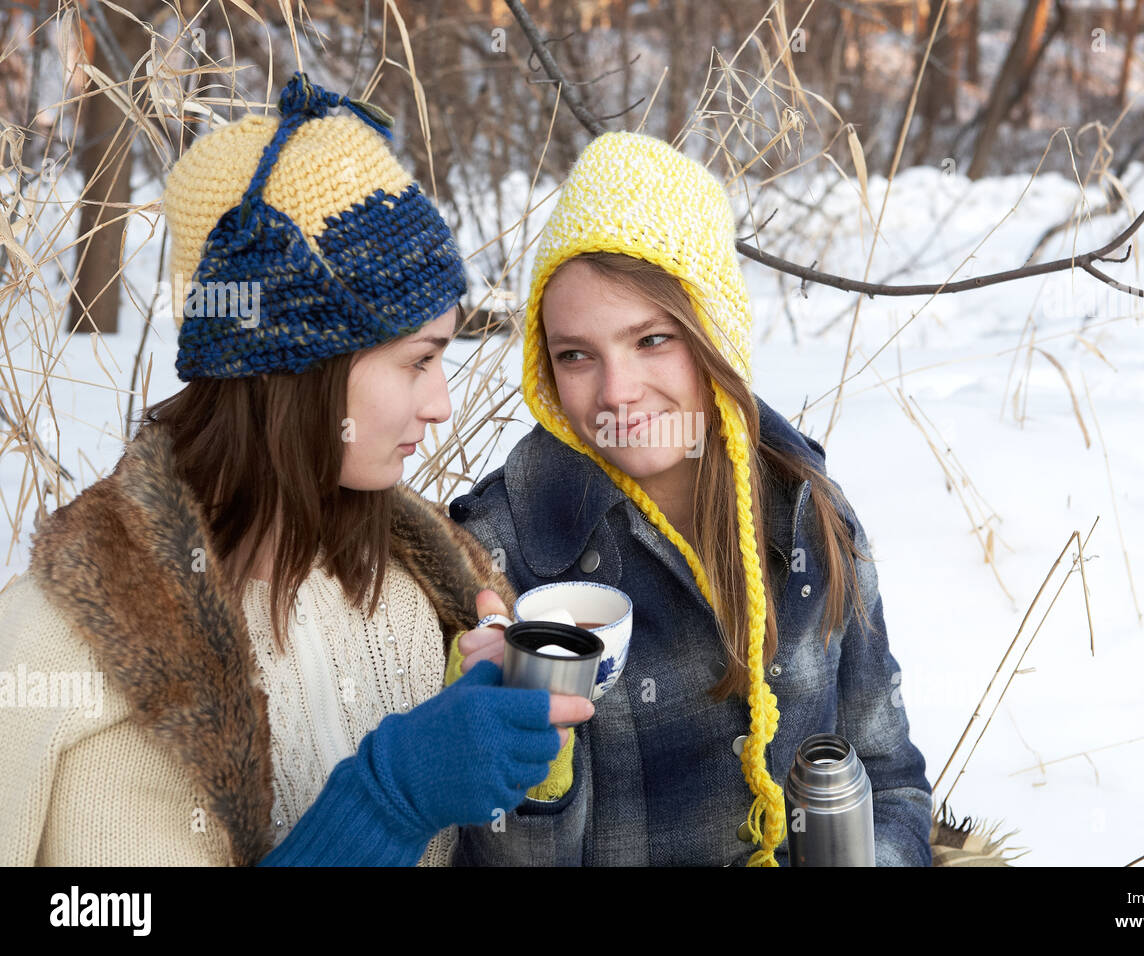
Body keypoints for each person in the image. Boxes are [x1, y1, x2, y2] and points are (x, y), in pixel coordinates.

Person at [0, 72, 590, 867]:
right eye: (417, 361)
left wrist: (503, 739)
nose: (442, 403)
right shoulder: (47, 644)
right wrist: (387, 802)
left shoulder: (420, 600)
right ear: (297, 372)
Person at [449, 131, 934, 867]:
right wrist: (531, 772)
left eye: (650, 340)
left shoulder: (808, 510)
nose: (615, 392)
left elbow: (891, 780)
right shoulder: (501, 556)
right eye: (575, 354)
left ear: (713, 335)